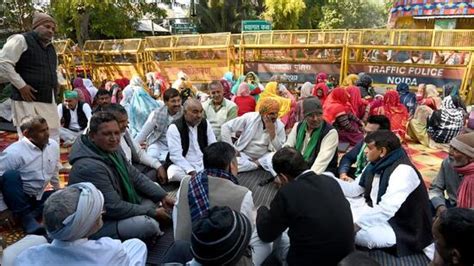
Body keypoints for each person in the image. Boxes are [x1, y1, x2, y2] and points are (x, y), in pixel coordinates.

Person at [68, 112, 174, 241]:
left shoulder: (111, 148)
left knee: (155, 199)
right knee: (148, 225)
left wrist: (162, 195)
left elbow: (135, 176)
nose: (114, 138)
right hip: (97, 224)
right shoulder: (89, 166)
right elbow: (114, 207)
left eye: (116, 133)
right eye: (107, 134)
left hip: (120, 204)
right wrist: (152, 212)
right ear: (92, 136)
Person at [334, 130, 432, 256]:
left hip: (400, 225)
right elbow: (354, 189)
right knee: (339, 209)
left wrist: (355, 225)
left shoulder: (403, 171)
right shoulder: (374, 164)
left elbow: (386, 209)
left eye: (369, 148)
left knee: (360, 234)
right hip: (375, 211)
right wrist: (327, 181)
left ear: (382, 151)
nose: (365, 151)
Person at [256, 147, 354, 265]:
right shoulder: (330, 180)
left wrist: (261, 211)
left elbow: (266, 234)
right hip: (347, 260)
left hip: (305, 261)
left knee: (277, 231)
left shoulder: (287, 192)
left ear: (283, 177)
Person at [13, 183, 147, 266]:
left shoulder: (28, 257)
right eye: (98, 212)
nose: (102, 213)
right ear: (85, 224)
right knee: (137, 245)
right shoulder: (111, 249)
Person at [0, 12, 61, 143]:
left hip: (47, 98)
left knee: (53, 132)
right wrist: (21, 86)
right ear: (36, 26)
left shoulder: (51, 49)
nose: (51, 31)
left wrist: (57, 82)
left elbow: (55, 69)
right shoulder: (20, 39)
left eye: (53, 29)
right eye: (47, 26)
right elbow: (4, 63)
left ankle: (53, 163)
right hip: (26, 99)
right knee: (29, 137)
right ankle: (31, 164)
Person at [0, 115, 60, 234]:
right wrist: (3, 209)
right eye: (42, 131)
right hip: (15, 198)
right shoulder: (13, 153)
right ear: (27, 134)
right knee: (11, 176)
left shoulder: (52, 145)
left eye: (47, 129)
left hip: (37, 196)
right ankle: (26, 218)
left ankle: (24, 215)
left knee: (63, 196)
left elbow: (54, 170)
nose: (47, 133)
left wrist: (58, 190)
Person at [102, 104, 167, 184]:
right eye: (121, 122)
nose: (126, 124)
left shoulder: (125, 133)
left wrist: (158, 166)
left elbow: (139, 153)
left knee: (159, 167)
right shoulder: (108, 142)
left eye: (126, 120)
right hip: (123, 178)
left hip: (132, 169)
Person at [221, 98, 286, 173]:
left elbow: (280, 149)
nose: (275, 116)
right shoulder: (249, 118)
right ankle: (255, 165)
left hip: (264, 158)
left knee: (276, 160)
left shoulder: (279, 125)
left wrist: (272, 133)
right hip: (244, 155)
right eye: (271, 113)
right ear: (262, 113)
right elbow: (225, 127)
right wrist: (231, 150)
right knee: (226, 161)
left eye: (276, 113)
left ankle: (253, 165)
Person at [283, 97, 339, 175]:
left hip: (322, 172)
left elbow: (320, 163)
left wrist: (304, 178)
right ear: (304, 116)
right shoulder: (298, 126)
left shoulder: (330, 133)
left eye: (319, 114)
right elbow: (287, 147)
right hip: (299, 168)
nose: (315, 119)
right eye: (311, 115)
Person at [166, 99, 216, 182]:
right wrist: (191, 171)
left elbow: (213, 146)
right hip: (184, 164)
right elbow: (176, 156)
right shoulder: (174, 127)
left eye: (201, 112)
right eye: (195, 112)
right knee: (173, 172)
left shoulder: (205, 123)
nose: (199, 115)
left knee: (236, 161)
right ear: (185, 112)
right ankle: (202, 179)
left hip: (203, 161)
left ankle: (196, 180)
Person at [429, 132, 474, 215]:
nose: (450, 153)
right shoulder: (448, 162)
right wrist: (440, 207)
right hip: (452, 207)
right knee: (424, 203)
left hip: (470, 214)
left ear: (470, 158)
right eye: (451, 148)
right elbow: (435, 188)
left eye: (456, 150)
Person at [135, 88, 183, 163]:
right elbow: (143, 134)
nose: (177, 104)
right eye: (173, 101)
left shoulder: (184, 114)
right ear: (166, 102)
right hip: (158, 143)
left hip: (177, 145)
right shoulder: (157, 114)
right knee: (152, 155)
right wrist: (132, 148)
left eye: (178, 100)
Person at [339, 115, 391, 181]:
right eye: (365, 132)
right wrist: (343, 174)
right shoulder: (364, 142)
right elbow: (348, 157)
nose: (365, 136)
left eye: (370, 133)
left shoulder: (388, 152)